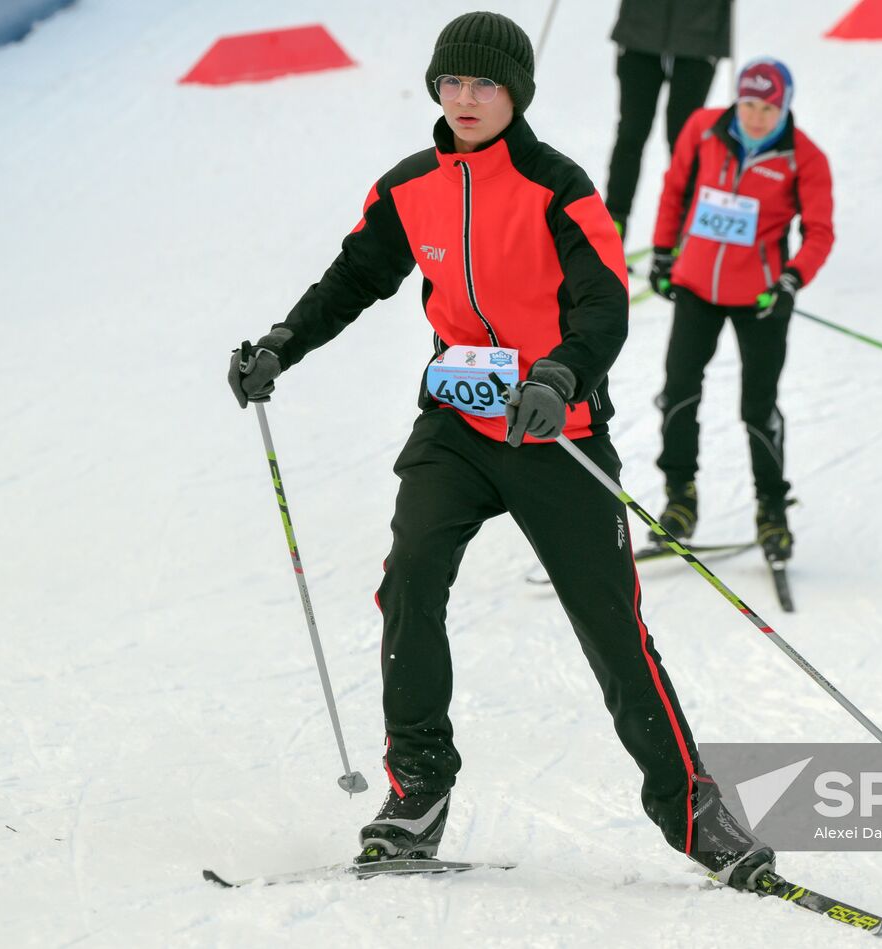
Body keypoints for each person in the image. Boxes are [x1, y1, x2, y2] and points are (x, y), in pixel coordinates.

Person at [226, 12, 774, 892]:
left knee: (609, 624)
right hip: (456, 424)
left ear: (516, 94)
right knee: (408, 580)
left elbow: (604, 304)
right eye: (452, 83)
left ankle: (691, 808)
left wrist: (560, 377)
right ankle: (417, 794)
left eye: (484, 85)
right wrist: (280, 344)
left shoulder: (558, 189)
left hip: (552, 428)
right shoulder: (411, 186)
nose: (466, 99)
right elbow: (356, 276)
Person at [646, 57, 835, 564]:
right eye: (749, 105)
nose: (756, 117)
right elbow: (676, 188)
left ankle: (771, 508)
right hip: (696, 288)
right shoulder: (704, 129)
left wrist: (792, 279)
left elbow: (819, 231)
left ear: (785, 107)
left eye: (768, 109)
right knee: (679, 393)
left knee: (758, 408)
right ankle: (679, 497)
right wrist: (663, 253)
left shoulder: (803, 158)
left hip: (761, 300)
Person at [605, 0, 733, 238]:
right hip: (640, 31)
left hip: (700, 36)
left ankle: (679, 231)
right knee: (631, 133)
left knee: (684, 140)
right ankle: (614, 223)